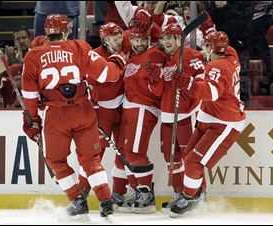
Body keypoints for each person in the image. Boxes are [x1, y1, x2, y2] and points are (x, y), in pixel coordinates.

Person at [20, 14, 126, 218]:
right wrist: (118, 62)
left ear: (45, 32)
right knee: (91, 159)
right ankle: (105, 201)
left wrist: (32, 120)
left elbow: (30, 95)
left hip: (56, 115)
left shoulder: (33, 55)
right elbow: (106, 75)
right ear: (66, 30)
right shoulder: (80, 47)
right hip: (83, 111)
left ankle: (77, 200)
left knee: (55, 160)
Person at [169, 31, 246, 217]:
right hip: (209, 116)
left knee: (193, 161)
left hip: (224, 122)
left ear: (211, 48)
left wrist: (188, 84)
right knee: (189, 156)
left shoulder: (217, 66)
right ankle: (199, 194)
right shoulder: (231, 54)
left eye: (206, 46)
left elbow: (212, 93)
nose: (203, 50)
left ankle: (190, 197)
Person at [147, 23, 205, 213]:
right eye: (163, 39)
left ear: (179, 39)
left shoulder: (191, 55)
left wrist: (187, 86)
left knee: (190, 157)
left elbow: (201, 82)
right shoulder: (166, 60)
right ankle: (180, 192)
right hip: (167, 114)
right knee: (171, 157)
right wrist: (154, 80)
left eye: (169, 38)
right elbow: (158, 93)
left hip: (186, 114)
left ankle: (197, 194)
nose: (165, 42)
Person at [77, 22, 130, 211]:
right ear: (104, 40)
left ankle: (119, 192)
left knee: (123, 151)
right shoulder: (96, 56)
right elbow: (87, 85)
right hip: (102, 112)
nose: (118, 41)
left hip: (122, 107)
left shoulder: (126, 47)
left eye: (119, 37)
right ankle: (81, 194)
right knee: (94, 155)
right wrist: (93, 111)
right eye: (113, 38)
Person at [119, 25, 166, 214]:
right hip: (129, 106)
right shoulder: (130, 56)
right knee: (125, 152)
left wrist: (156, 81)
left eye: (142, 40)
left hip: (144, 108)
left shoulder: (155, 55)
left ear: (148, 39)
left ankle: (146, 195)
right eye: (135, 40)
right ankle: (137, 190)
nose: (138, 44)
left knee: (136, 152)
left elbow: (159, 90)